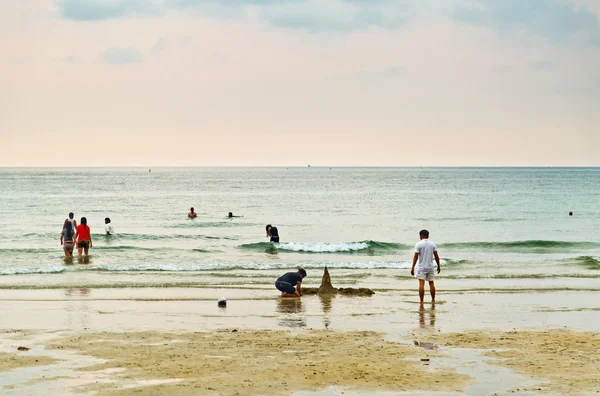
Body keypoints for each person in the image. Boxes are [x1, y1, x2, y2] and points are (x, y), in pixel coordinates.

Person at [411, 229, 440, 305]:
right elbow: (436, 256)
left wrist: (412, 267)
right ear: (428, 236)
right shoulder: (432, 244)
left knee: (421, 284)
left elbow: (416, 256)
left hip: (422, 267)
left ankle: (421, 301)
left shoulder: (418, 244)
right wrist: (438, 265)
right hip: (430, 267)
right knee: (431, 283)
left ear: (420, 236)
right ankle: (433, 300)